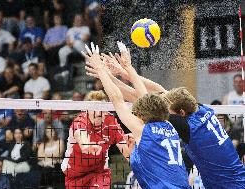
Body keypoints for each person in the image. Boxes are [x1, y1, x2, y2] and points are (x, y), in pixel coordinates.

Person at [86, 42, 245, 188]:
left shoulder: (188, 127)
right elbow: (157, 92)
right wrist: (124, 71)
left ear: (181, 113)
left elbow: (134, 99)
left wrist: (105, 72)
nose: (166, 109)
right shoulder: (200, 109)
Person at [82, 45, 190, 188]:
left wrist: (101, 70)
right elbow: (143, 96)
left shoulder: (143, 130)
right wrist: (121, 71)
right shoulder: (169, 126)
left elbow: (116, 99)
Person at [62, 90, 134, 189]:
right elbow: (80, 134)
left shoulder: (111, 122)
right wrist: (87, 146)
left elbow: (126, 151)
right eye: (94, 109)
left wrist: (138, 164)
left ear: (106, 110)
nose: (98, 112)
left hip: (99, 172)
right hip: (75, 173)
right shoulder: (80, 121)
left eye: (102, 109)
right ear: (87, 110)